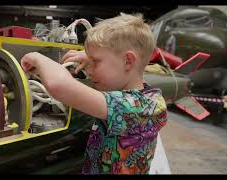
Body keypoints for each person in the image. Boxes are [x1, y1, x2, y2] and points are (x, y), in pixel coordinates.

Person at [20, 13, 167, 174]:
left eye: (95, 62)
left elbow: (59, 86)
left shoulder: (137, 108)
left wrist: (38, 58)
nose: (89, 70)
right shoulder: (150, 96)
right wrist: (92, 57)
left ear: (128, 61)